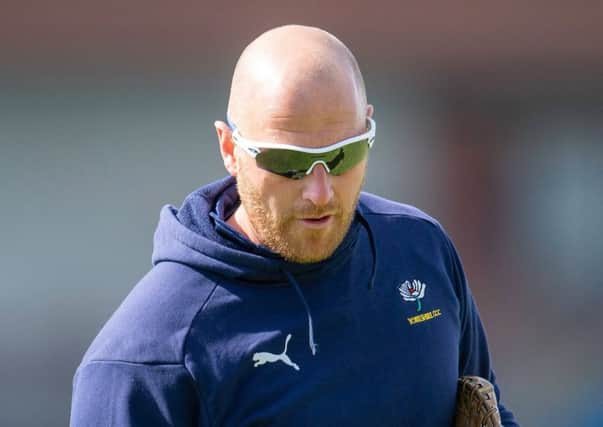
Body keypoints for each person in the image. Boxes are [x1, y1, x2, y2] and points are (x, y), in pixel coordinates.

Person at [70, 25, 520, 426]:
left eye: (344, 154)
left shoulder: (421, 249)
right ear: (229, 148)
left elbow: (490, 407)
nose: (320, 192)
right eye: (288, 163)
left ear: (368, 128)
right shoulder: (143, 360)